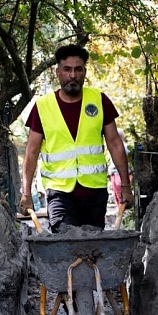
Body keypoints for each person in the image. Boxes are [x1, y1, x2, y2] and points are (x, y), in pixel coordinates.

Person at [18, 44, 134, 232]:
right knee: (66, 239)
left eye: (78, 69)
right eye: (67, 69)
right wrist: (26, 193)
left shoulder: (99, 100)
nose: (73, 75)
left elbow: (115, 144)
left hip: (94, 193)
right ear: (58, 72)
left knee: (92, 247)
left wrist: (126, 186)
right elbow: (31, 152)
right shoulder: (43, 106)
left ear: (85, 72)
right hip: (60, 193)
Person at [109, 128, 134, 210]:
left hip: (120, 174)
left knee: (121, 196)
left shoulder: (124, 148)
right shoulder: (112, 146)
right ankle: (120, 212)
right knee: (118, 195)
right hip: (115, 173)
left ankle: (122, 213)